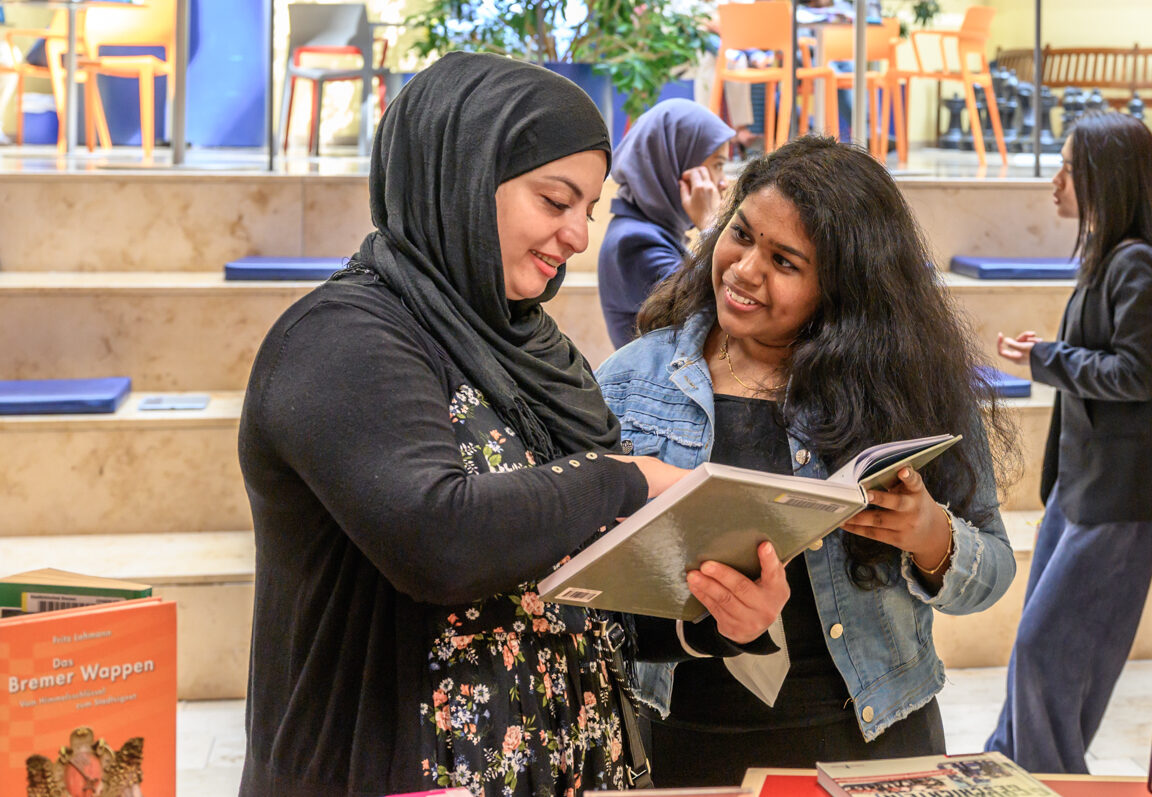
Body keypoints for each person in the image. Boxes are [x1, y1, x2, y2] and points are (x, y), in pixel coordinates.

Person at [237, 52, 786, 797]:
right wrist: (623, 479)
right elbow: (440, 539)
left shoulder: (537, 352)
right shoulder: (344, 338)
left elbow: (586, 585)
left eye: (587, 210)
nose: (576, 236)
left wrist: (718, 612)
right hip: (393, 769)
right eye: (554, 200)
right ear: (461, 174)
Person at [596, 136, 1019, 785]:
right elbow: (591, 581)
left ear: (842, 284)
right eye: (740, 235)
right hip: (684, 746)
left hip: (873, 743)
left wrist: (930, 535)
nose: (743, 269)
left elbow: (990, 568)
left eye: (784, 261)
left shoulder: (908, 388)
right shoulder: (630, 382)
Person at [986, 111, 1152, 773]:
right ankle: (1010, 769)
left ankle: (1041, 780)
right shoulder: (1111, 259)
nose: (1054, 180)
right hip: (1081, 484)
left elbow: (1136, 373)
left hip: (1117, 494)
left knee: (1047, 651)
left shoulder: (1139, 267)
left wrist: (1047, 357)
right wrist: (1048, 356)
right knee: (1036, 649)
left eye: (1067, 165)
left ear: (1104, 176)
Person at [598, 98, 734, 349]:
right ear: (675, 164)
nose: (723, 182)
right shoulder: (635, 243)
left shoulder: (653, 231)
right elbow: (715, 310)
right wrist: (711, 224)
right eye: (717, 165)